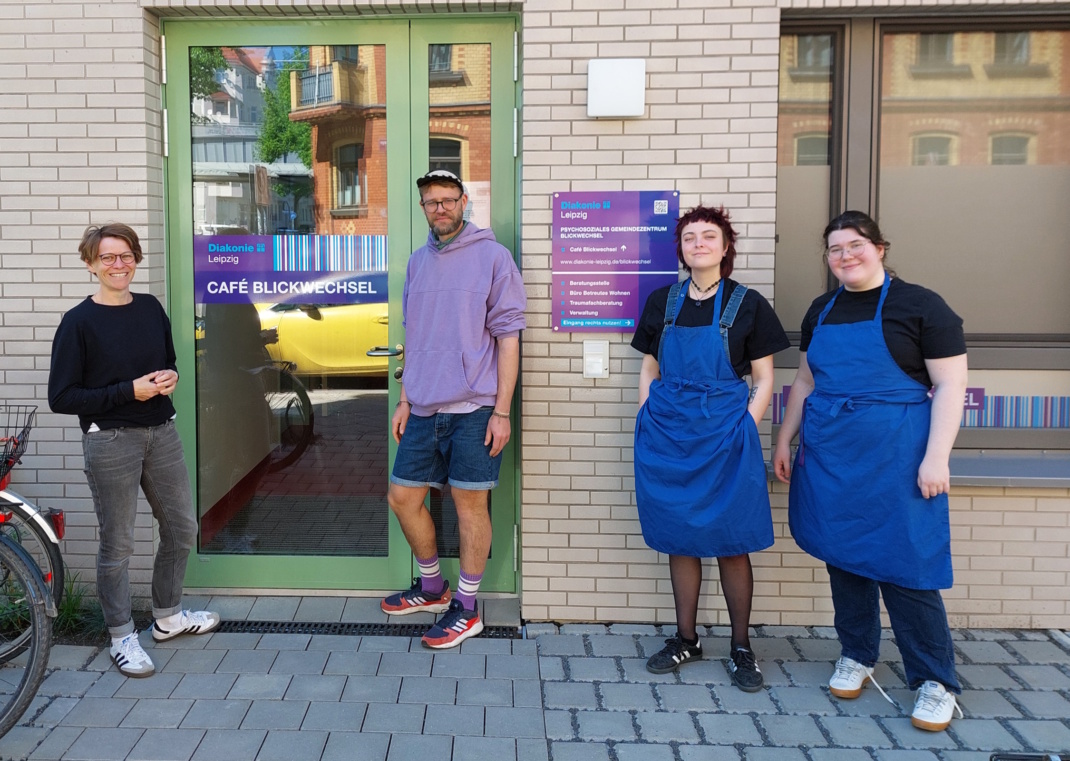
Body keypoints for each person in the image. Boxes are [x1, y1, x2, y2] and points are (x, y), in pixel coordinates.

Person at [773, 210, 968, 731]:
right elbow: (807, 383)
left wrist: (936, 456)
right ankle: (857, 653)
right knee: (845, 558)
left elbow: (951, 386)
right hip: (834, 453)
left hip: (899, 454)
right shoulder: (822, 309)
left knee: (907, 567)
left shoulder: (922, 306)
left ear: (879, 247)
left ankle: (935, 681)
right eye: (834, 249)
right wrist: (785, 437)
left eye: (854, 245)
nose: (844, 256)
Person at [48, 223, 220, 679]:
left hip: (162, 432)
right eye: (107, 258)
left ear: (136, 259)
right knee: (118, 543)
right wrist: (129, 392)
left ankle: (167, 617)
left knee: (182, 527)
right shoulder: (78, 322)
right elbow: (62, 397)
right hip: (110, 441)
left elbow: (169, 362)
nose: (118, 264)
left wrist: (170, 379)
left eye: (126, 256)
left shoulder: (149, 308)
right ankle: (122, 635)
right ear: (90, 264)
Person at [631, 205, 789, 691]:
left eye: (709, 236)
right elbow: (649, 368)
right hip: (669, 434)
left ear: (725, 247)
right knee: (680, 537)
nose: (698, 244)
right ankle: (686, 638)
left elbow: (764, 378)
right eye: (689, 237)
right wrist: (647, 417)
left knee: (731, 539)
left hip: (725, 434)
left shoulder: (749, 303)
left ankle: (742, 646)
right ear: (680, 248)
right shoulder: (663, 300)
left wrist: (744, 426)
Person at [381, 170, 526, 649]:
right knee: (403, 497)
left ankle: (467, 607)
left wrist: (501, 411)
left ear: (464, 202)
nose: (439, 208)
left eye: (448, 200)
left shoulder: (493, 258)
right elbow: (415, 334)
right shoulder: (418, 263)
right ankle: (432, 588)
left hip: (475, 409)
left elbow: (508, 337)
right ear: (422, 207)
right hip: (422, 406)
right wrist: (405, 399)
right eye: (430, 202)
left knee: (470, 506)